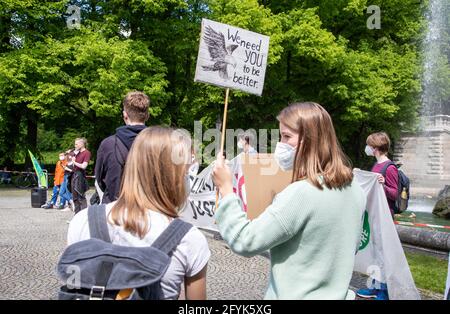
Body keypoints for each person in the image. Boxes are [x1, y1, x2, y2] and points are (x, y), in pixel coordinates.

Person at [212, 102, 366, 299]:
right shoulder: (355, 189)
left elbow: (245, 240)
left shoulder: (302, 193)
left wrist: (226, 188)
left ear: (310, 140)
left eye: (287, 136)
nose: (280, 144)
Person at [67, 126, 210, 300]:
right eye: (187, 171)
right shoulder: (189, 240)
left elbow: (73, 288)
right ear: (174, 176)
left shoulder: (83, 220)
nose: (189, 178)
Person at [356, 132, 398, 300]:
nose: (367, 148)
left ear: (374, 148)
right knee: (375, 253)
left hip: (385, 217)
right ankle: (375, 286)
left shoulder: (390, 167)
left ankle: (385, 291)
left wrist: (383, 184)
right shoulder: (376, 166)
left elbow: (394, 194)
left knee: (383, 254)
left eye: (369, 145)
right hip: (374, 216)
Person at [95, 91, 149, 204]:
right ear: (147, 116)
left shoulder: (108, 144)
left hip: (114, 211)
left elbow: (100, 181)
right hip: (150, 211)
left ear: (125, 115)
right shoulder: (161, 144)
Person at [71, 138, 91, 214]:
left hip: (80, 176)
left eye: (76, 144)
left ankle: (84, 217)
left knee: (81, 197)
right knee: (75, 198)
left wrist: (74, 162)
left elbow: (84, 166)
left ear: (82, 144)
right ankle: (76, 218)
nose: (75, 145)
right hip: (74, 175)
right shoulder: (77, 153)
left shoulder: (87, 153)